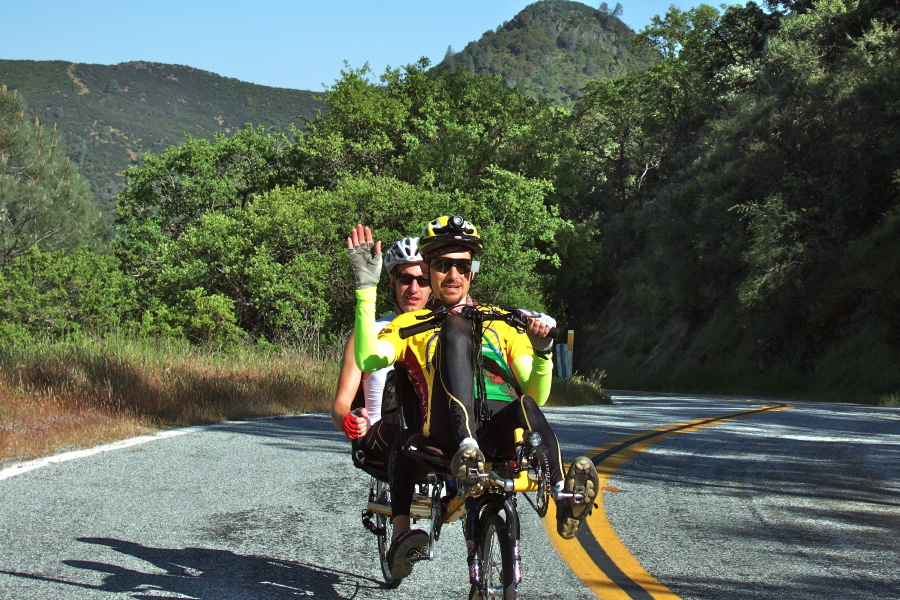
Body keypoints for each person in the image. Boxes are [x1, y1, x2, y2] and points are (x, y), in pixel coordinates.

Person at [347, 216, 600, 580]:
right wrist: (365, 289)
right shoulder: (408, 326)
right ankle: (469, 449)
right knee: (454, 324)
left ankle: (563, 495)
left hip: (498, 431)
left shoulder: (502, 323)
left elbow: (538, 394)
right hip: (448, 436)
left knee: (525, 406)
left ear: (472, 272)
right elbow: (369, 359)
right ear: (431, 270)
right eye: (442, 266)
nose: (452, 275)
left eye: (462, 267)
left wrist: (543, 350)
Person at [330, 237, 430, 469]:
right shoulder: (368, 333)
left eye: (422, 280)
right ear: (392, 281)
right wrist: (348, 419)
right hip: (382, 438)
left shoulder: (445, 331)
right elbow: (340, 405)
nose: (413, 289)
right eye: (405, 279)